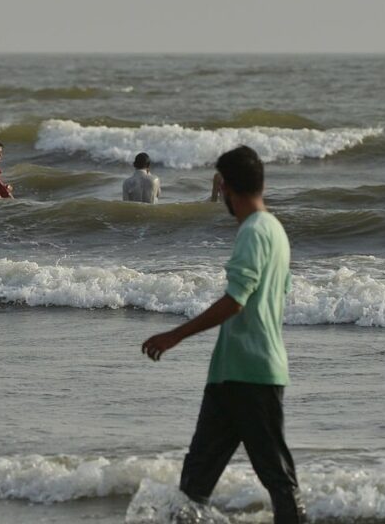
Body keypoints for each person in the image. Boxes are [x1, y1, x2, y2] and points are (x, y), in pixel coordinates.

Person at [139, 145, 306, 523]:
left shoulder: (254, 230)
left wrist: (175, 335)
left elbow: (236, 301)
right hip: (229, 375)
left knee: (278, 479)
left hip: (253, 372)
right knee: (194, 483)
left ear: (228, 189)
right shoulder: (276, 231)